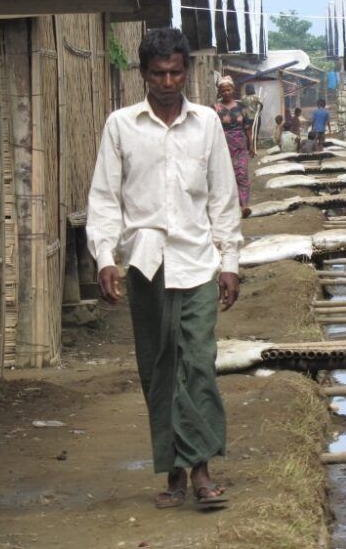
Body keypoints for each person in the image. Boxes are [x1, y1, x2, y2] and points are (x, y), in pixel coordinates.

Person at [86, 27, 241, 510]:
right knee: (159, 368)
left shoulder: (208, 124)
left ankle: (202, 468)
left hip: (197, 262)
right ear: (143, 74)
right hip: (146, 263)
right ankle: (173, 470)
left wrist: (230, 260)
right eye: (159, 73)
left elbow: (223, 197)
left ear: (187, 71)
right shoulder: (121, 126)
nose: (168, 81)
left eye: (176, 71)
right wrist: (105, 257)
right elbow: (105, 198)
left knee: (198, 362)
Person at [214, 76, 254, 219]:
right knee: (224, 178)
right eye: (223, 90)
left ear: (233, 89)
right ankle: (228, 208)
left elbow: (247, 128)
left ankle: (244, 206)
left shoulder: (241, 108)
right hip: (222, 148)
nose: (226, 92)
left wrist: (251, 145)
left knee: (242, 175)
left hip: (240, 147)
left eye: (228, 89)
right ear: (219, 91)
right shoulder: (215, 109)